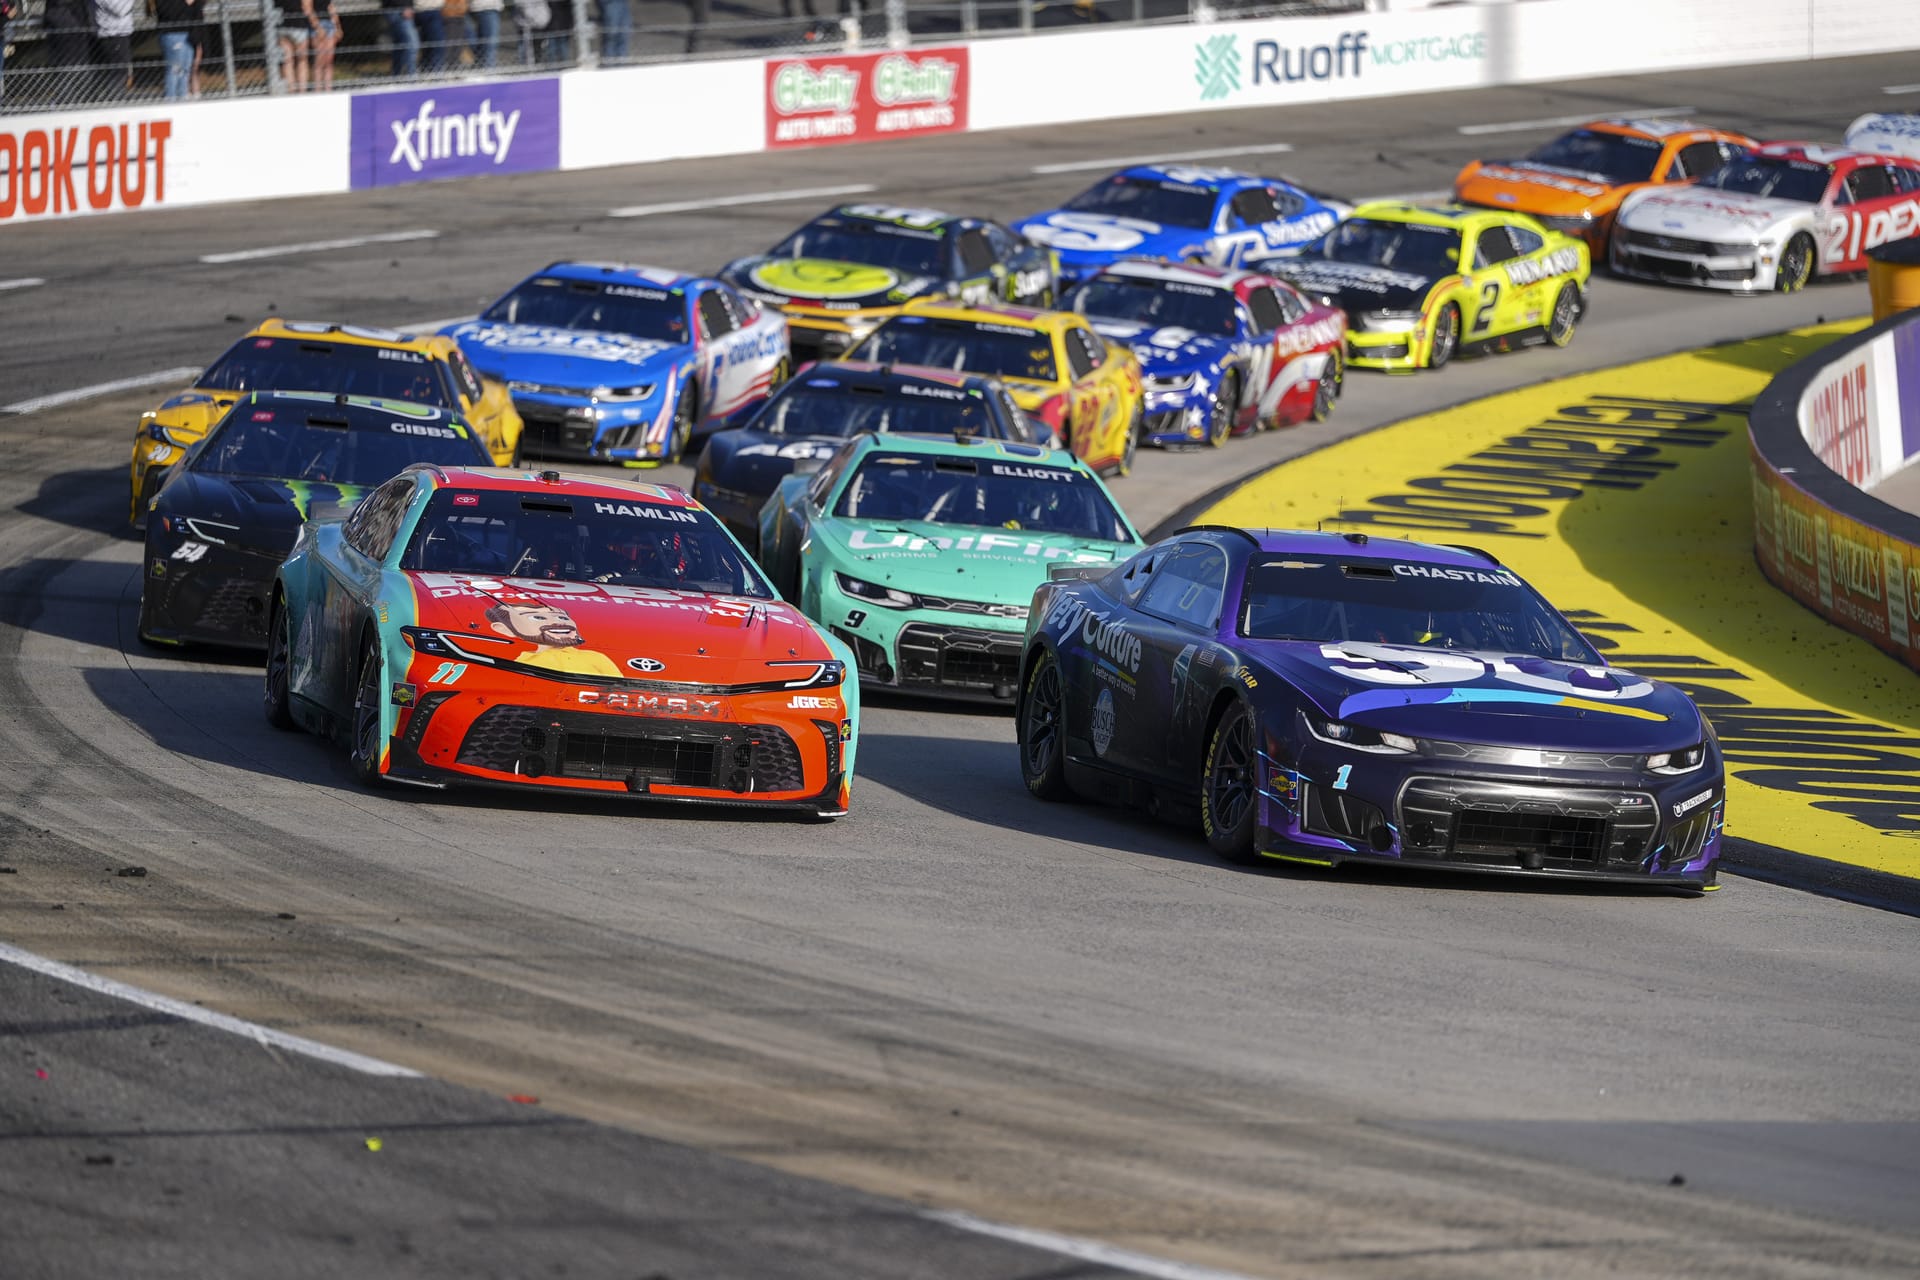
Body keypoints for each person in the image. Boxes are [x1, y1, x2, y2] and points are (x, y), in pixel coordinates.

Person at [91, 0, 135, 99]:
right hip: (113, 35)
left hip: (121, 34)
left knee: (123, 72)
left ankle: (117, 98)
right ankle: (115, 101)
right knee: (118, 73)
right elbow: (120, 10)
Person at [153, 0, 196, 98]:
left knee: (186, 68)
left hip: (188, 33)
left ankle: (182, 96)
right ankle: (171, 98)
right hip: (172, 33)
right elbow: (168, 12)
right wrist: (185, 3)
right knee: (175, 69)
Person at [275, 0, 313, 91]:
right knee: (302, 60)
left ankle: (291, 90)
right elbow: (306, 7)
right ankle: (302, 90)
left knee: (287, 60)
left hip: (282, 26)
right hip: (299, 26)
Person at [382, 0, 419, 75]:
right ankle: (411, 75)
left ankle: (396, 74)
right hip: (399, 10)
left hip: (400, 9)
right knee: (412, 43)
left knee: (399, 45)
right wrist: (405, 7)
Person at [310, 0, 340, 89]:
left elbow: (331, 7)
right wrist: (318, 27)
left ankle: (328, 88)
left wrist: (338, 26)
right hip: (318, 24)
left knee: (329, 60)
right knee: (319, 60)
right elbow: (308, 9)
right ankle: (317, 89)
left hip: (329, 24)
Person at [467, 0, 501, 69]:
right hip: (486, 7)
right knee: (490, 44)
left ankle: (481, 66)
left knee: (483, 43)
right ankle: (488, 70)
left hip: (483, 7)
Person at [414, 0, 445, 72]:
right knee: (437, 45)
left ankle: (427, 70)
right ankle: (436, 72)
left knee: (428, 45)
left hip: (430, 10)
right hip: (428, 9)